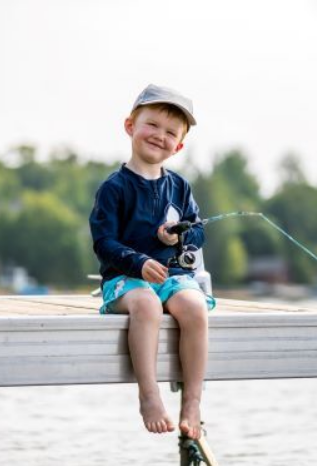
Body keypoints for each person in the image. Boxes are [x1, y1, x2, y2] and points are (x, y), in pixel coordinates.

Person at [89, 84, 215, 439]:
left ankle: (192, 401)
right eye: (152, 125)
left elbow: (198, 233)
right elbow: (104, 242)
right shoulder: (114, 188)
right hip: (124, 280)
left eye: (171, 132)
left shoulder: (180, 187)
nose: (160, 136)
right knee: (146, 305)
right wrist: (138, 263)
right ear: (130, 126)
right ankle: (149, 394)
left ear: (179, 146)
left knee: (194, 307)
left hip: (172, 276)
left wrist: (179, 237)